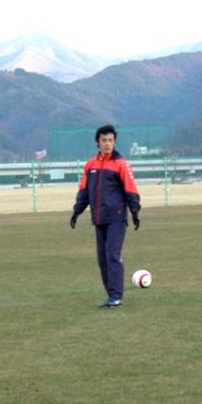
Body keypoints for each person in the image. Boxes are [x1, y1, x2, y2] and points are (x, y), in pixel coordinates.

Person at [70, 124, 141, 308]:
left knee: (112, 255)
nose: (108, 144)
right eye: (104, 140)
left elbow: (130, 189)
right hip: (99, 218)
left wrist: (134, 211)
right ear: (98, 143)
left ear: (114, 142)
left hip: (116, 218)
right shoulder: (90, 165)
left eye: (110, 140)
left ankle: (117, 296)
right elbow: (84, 191)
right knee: (102, 259)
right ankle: (111, 295)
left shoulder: (121, 164)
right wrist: (77, 211)